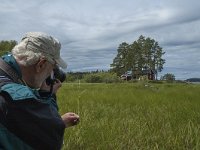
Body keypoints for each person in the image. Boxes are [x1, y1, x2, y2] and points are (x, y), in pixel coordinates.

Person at [0, 32, 79, 150]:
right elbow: (50, 140)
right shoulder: (17, 98)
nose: (51, 73)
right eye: (53, 68)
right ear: (41, 64)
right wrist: (48, 96)